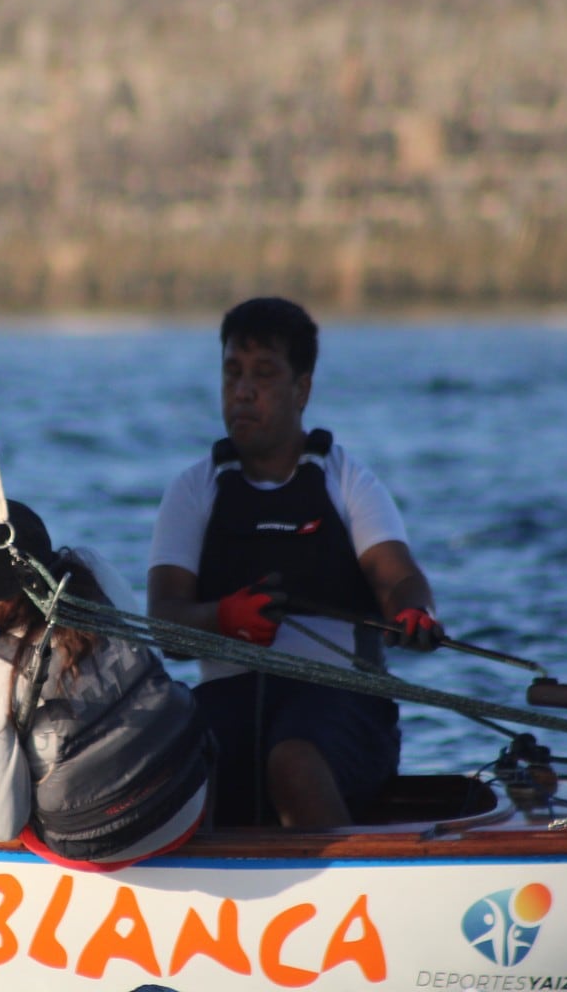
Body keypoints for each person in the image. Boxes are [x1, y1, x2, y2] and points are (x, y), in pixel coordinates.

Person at [147, 296, 444, 829]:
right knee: (174, 769)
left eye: (263, 374)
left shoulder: (349, 482)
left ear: (301, 389)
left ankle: (348, 897)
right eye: (232, 373)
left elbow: (398, 577)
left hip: (344, 704)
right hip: (226, 701)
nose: (243, 390)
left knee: (292, 761)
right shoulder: (192, 491)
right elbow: (163, 622)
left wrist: (414, 611)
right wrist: (222, 619)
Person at [0, 500, 210, 871]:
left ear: (0, 594)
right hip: (185, 801)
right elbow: (149, 660)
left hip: (103, 844)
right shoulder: (96, 575)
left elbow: (0, 826)